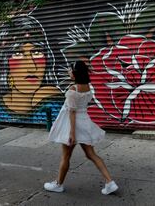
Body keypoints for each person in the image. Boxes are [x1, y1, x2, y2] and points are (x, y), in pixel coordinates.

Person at [44, 60, 119, 195]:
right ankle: (110, 182)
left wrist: (72, 133)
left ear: (74, 73)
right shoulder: (87, 87)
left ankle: (58, 184)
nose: (68, 72)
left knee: (66, 156)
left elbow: (72, 112)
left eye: (69, 70)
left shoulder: (73, 90)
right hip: (84, 122)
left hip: (72, 125)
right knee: (91, 154)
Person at [0, 15, 62, 123]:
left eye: (37, 53)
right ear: (4, 63)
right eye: (17, 53)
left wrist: (51, 98)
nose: (32, 67)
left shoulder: (54, 102)